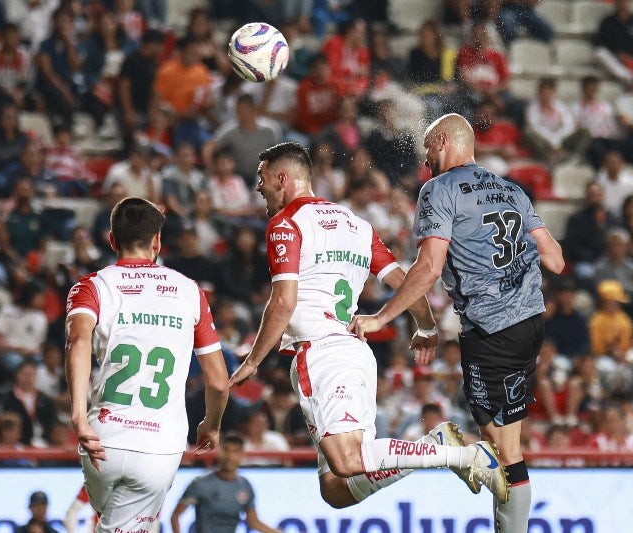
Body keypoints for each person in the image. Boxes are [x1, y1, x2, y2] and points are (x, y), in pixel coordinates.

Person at [229, 142, 507, 511]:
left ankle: (447, 451)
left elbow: (283, 301)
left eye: (262, 178)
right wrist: (425, 326)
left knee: (346, 462)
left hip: (321, 353)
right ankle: (436, 448)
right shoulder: (356, 225)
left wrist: (253, 360)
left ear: (282, 178)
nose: (259, 187)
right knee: (336, 488)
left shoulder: (285, 224)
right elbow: (404, 281)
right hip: (356, 354)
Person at [348, 115, 565, 533]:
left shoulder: (439, 189)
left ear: (444, 140)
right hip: (530, 324)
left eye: (429, 147)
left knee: (499, 451)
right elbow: (555, 258)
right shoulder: (511, 188)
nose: (426, 158)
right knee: (511, 447)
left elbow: (429, 265)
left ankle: (449, 449)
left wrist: (382, 317)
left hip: (491, 329)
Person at [65, 197, 229, 533]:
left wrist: (78, 415)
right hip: (158, 446)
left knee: (108, 521)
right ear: (157, 241)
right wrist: (211, 425)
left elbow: (78, 340)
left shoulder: (92, 286)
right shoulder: (189, 292)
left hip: (102, 439)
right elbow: (218, 382)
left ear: (112, 240)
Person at [170, 432, 282, 533]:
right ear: (220, 452)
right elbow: (175, 516)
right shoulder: (201, 484)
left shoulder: (245, 486)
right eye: (226, 450)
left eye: (235, 452)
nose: (230, 456)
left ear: (242, 455)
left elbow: (253, 522)